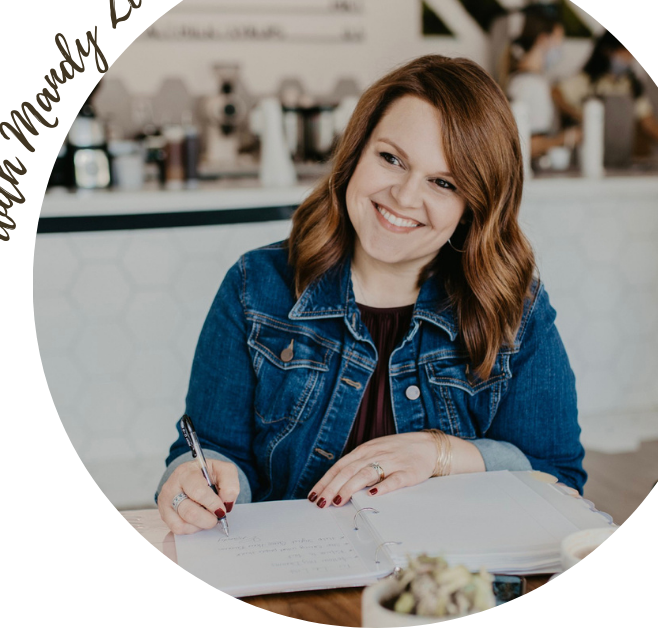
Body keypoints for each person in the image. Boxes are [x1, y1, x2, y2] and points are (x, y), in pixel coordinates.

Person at [156, 54, 587, 535]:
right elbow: (211, 453)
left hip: (448, 573)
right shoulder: (254, 286)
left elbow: (557, 479)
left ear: (474, 207)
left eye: (443, 182)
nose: (404, 196)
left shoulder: (515, 309)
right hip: (291, 567)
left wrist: (439, 453)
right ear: (356, 152)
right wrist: (191, 481)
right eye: (391, 159)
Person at [554, 30, 658, 165]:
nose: (628, 57)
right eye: (623, 52)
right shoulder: (586, 81)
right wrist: (578, 114)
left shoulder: (631, 85)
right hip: (587, 161)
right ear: (607, 51)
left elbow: (648, 122)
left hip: (621, 161)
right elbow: (555, 93)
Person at [504, 5, 581, 161]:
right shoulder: (532, 85)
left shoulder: (518, 79)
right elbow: (528, 145)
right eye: (559, 39)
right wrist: (566, 138)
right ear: (543, 39)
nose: (560, 47)